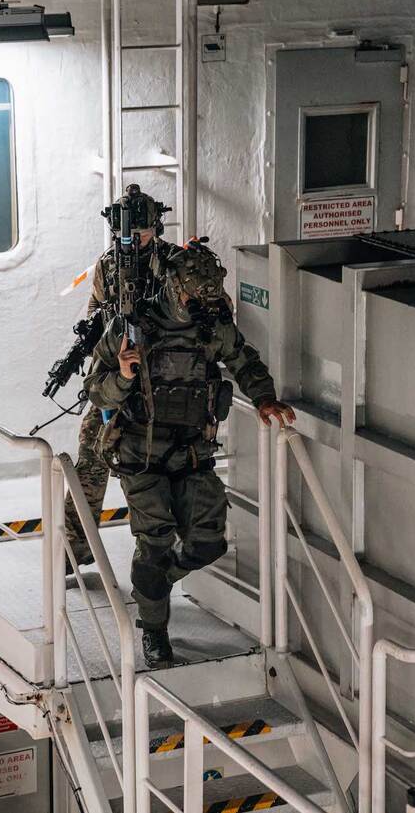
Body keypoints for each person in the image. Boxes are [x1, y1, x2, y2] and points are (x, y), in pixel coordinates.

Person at [84, 243, 295, 667]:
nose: (201, 304)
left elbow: (243, 360)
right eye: (193, 296)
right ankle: (154, 631)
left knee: (208, 542)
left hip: (193, 451)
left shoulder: (211, 325)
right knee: (155, 542)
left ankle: (155, 584)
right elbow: (95, 391)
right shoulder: (131, 328)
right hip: (142, 454)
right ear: (172, 287)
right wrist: (123, 376)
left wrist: (264, 398)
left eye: (208, 296)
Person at [62, 186, 175, 569]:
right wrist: (102, 346)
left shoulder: (172, 266)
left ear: (155, 229)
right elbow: (95, 311)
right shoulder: (107, 266)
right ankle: (74, 549)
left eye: (140, 235)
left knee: (158, 466)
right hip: (116, 375)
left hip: (163, 380)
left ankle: (161, 554)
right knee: (91, 455)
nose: (132, 242)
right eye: (126, 234)